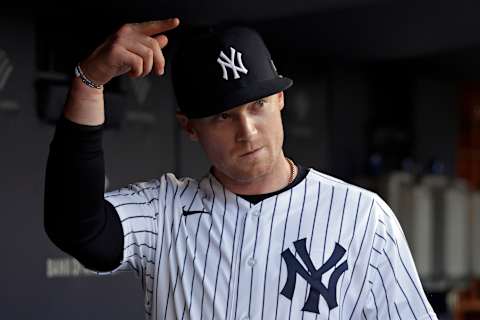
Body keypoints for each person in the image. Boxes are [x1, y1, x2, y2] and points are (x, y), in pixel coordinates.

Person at [44, 17, 438, 320]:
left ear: (280, 100)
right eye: (223, 116)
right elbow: (78, 228)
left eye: (257, 105)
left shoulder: (363, 216)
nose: (247, 131)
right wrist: (89, 83)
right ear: (189, 127)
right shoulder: (163, 212)